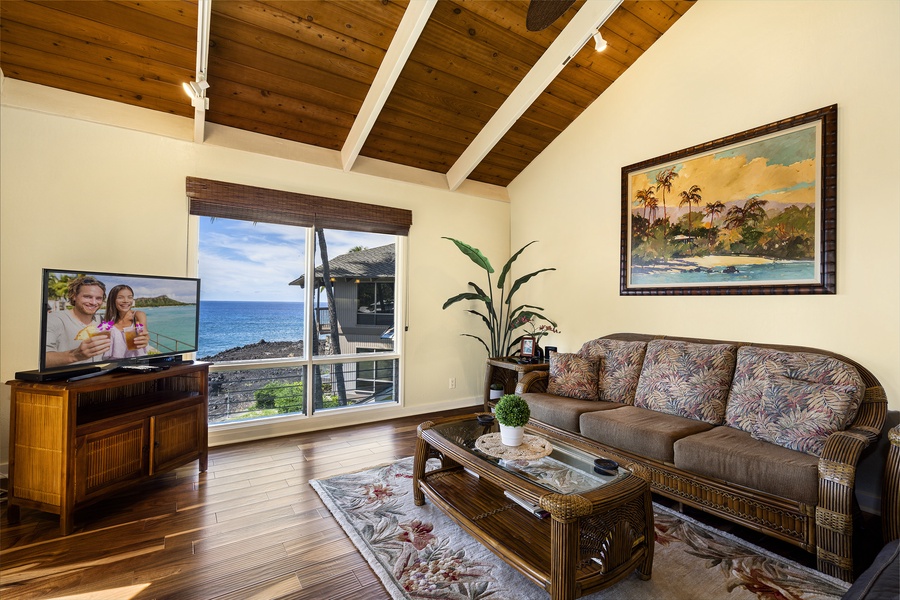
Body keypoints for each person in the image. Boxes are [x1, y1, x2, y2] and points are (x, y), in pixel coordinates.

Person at [45, 275, 111, 367]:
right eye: (88, 297)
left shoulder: (103, 321)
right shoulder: (54, 319)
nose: (94, 302)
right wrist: (75, 355)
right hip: (66, 379)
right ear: (74, 296)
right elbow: (42, 359)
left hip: (100, 377)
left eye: (98, 298)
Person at [104, 284, 150, 359]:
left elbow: (143, 330)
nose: (126, 301)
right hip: (114, 365)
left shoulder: (138, 315)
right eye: (120, 297)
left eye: (130, 297)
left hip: (138, 363)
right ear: (112, 300)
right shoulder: (109, 322)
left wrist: (145, 338)